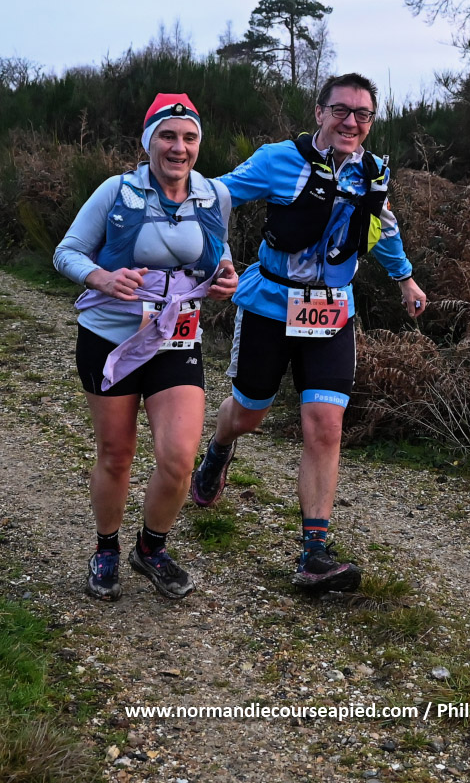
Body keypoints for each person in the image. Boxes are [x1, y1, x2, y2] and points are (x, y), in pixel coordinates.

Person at [191, 73, 426, 594]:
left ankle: (313, 553)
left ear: (371, 121)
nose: (351, 122)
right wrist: (219, 258)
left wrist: (405, 277)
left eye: (362, 114)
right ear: (319, 112)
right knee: (249, 413)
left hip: (332, 311)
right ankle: (220, 447)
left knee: (325, 424)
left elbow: (382, 227)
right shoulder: (278, 159)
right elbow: (215, 196)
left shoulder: (372, 171)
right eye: (340, 110)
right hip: (270, 305)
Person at [54, 93, 238, 601]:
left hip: (177, 338)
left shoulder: (214, 196)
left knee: (179, 458)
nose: (179, 147)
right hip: (110, 338)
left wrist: (225, 275)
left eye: (189, 137)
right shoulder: (116, 191)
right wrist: (102, 277)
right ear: (148, 142)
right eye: (168, 136)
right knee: (117, 454)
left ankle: (151, 548)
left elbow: (219, 252)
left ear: (199, 144)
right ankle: (106, 548)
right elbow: (66, 252)